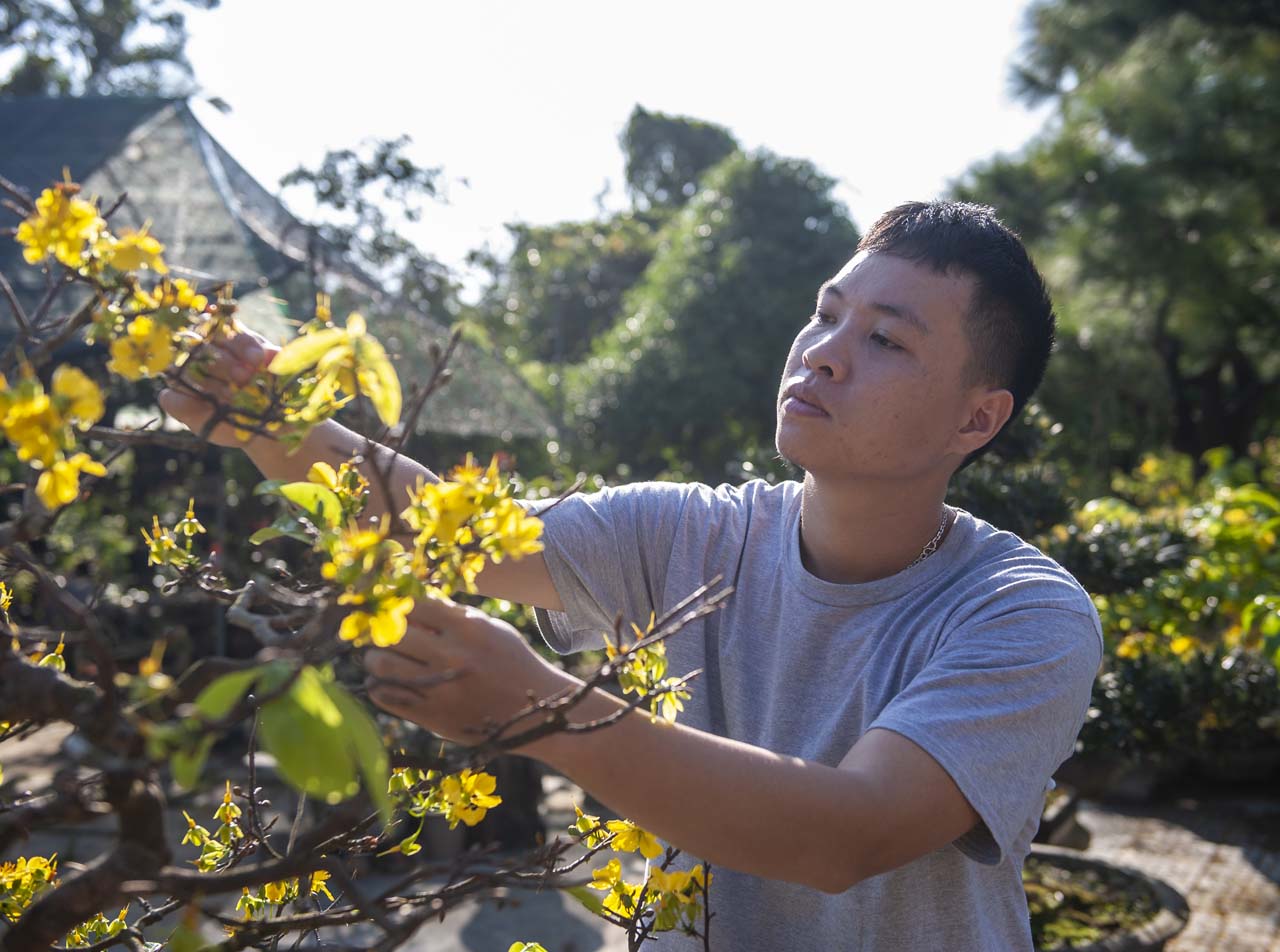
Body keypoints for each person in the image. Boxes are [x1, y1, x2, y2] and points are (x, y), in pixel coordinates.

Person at [161, 200, 1102, 951]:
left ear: (978, 420)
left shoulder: (1021, 614)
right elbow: (461, 534)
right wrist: (265, 418)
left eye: (886, 340)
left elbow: (847, 835)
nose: (821, 352)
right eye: (825, 314)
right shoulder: (692, 532)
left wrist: (545, 711)